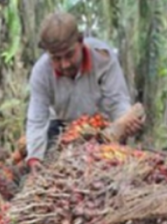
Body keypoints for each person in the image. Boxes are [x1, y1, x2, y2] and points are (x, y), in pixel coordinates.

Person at [25, 12, 143, 172]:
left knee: (111, 171)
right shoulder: (41, 72)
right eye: (56, 59)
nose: (65, 64)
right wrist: (34, 158)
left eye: (69, 55)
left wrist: (125, 124)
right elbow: (37, 119)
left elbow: (117, 101)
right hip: (61, 129)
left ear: (81, 42)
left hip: (100, 128)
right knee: (54, 171)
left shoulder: (103, 57)